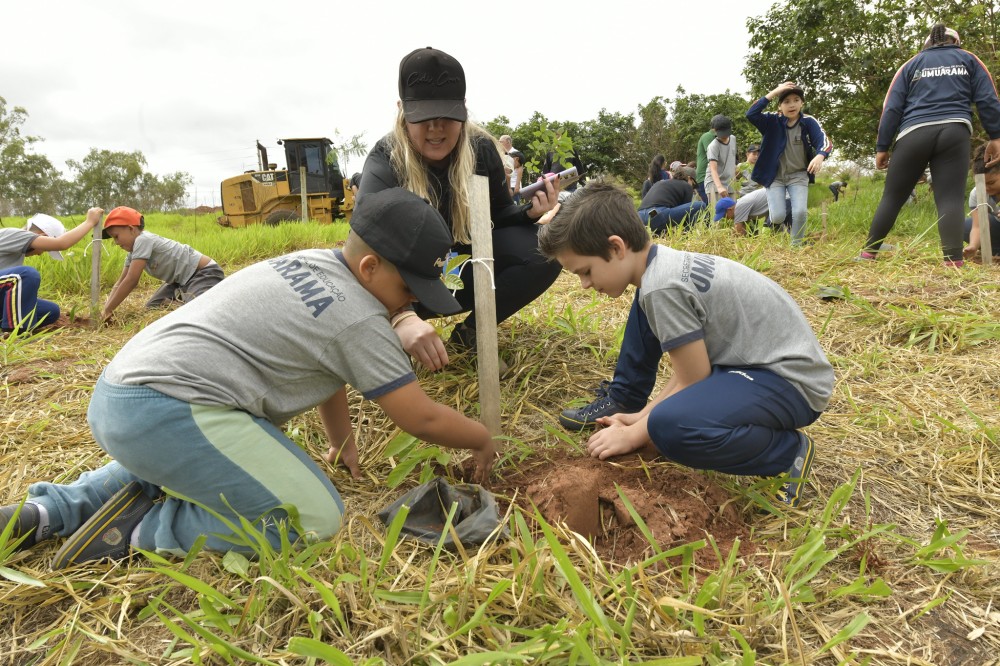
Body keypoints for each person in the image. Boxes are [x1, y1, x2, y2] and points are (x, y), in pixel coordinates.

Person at [0, 188, 497, 568]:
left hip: (123, 395)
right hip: (171, 411)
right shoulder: (361, 317)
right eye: (410, 292)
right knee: (313, 516)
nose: (412, 305)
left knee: (191, 462)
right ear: (370, 268)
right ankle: (140, 530)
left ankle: (49, 513)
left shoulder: (312, 263)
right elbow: (422, 418)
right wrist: (483, 439)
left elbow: (328, 368)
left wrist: (342, 440)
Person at [538, 183, 833, 507]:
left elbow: (694, 380)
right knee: (660, 419)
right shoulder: (660, 267)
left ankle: (787, 453)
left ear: (616, 247)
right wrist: (639, 418)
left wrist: (635, 434)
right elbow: (688, 374)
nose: (585, 285)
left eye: (586, 271)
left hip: (791, 381)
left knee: (670, 429)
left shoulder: (661, 288)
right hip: (752, 366)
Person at [358, 47, 560, 370]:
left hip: (461, 267)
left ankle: (471, 334)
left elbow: (498, 217)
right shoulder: (386, 160)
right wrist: (401, 315)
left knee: (545, 249)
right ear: (401, 111)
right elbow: (363, 250)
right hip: (408, 282)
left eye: (447, 116)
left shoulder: (480, 149)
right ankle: (398, 331)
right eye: (423, 117)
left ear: (464, 109)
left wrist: (529, 214)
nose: (436, 128)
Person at [860, 24, 1000, 266]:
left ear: (927, 45)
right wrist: (996, 136)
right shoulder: (969, 59)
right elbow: (988, 99)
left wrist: (882, 146)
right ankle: (953, 261)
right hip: (955, 131)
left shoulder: (911, 65)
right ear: (956, 42)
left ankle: (868, 253)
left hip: (913, 133)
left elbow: (891, 107)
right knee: (950, 199)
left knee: (892, 196)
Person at [99, 206, 225, 322]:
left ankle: (184, 301)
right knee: (151, 308)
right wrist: (106, 309)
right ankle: (180, 298)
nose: (115, 242)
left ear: (131, 229)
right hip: (179, 282)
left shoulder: (143, 240)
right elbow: (120, 282)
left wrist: (109, 309)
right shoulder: (132, 253)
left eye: (116, 236)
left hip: (203, 273)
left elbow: (131, 280)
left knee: (195, 311)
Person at [747, 82, 833, 246]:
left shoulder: (808, 122)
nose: (792, 105)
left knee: (800, 212)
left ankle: (796, 247)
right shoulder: (771, 121)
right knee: (778, 216)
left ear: (802, 103)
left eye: (796, 100)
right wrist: (775, 91)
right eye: (786, 101)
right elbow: (751, 114)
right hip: (775, 177)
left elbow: (824, 142)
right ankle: (775, 226)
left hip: (798, 175)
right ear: (780, 106)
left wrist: (820, 155)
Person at [1, 209, 103, 334]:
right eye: (44, 249)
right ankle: (16, 333)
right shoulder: (15, 234)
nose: (40, 254)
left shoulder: (16, 250)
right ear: (42, 237)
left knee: (50, 311)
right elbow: (61, 243)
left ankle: (8, 323)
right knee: (26, 275)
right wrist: (89, 222)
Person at [636, 167, 706, 232]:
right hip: (657, 213)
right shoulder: (686, 185)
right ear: (689, 178)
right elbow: (686, 216)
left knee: (664, 228)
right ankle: (687, 236)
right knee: (700, 205)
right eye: (693, 184)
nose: (693, 188)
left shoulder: (661, 182)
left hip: (640, 217)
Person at [965, 143, 1000, 259]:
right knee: (966, 226)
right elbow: (978, 226)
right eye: (981, 184)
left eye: (991, 183)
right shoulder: (977, 194)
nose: (986, 188)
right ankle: (994, 252)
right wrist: (973, 246)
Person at [704, 115, 739, 203]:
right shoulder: (713, 146)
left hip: (730, 183)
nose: (724, 135)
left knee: (732, 214)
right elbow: (713, 169)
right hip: (715, 184)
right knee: (717, 214)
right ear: (715, 131)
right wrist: (719, 187)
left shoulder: (733, 139)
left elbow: (732, 161)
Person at [694, 126, 716, 203]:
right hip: (704, 177)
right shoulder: (708, 136)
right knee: (711, 207)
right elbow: (713, 155)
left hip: (711, 177)